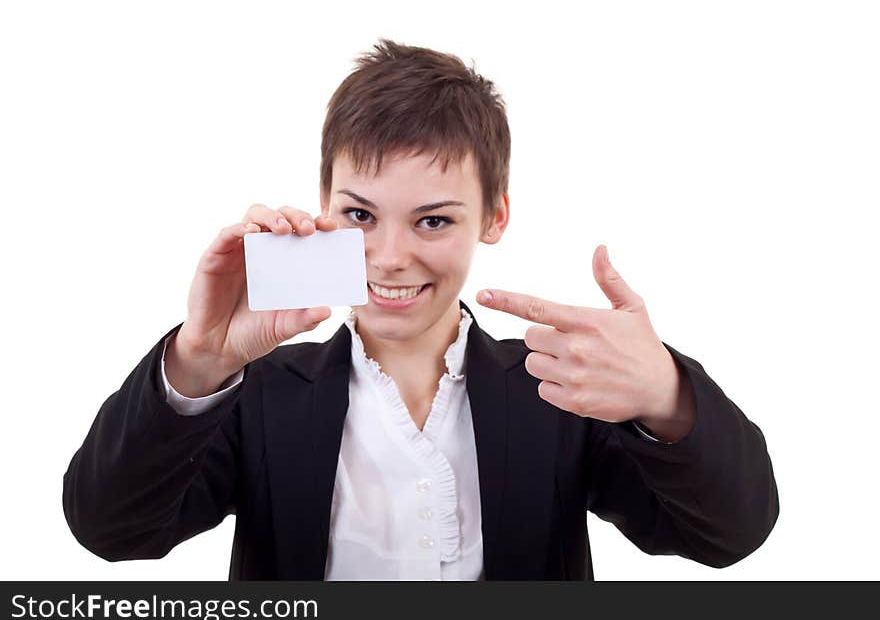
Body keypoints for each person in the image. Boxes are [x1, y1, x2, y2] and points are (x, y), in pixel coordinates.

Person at [62, 38, 779, 580]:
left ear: (493, 216)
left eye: (432, 220)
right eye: (360, 214)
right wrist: (198, 361)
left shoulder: (559, 391)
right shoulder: (262, 392)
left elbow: (731, 533)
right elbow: (109, 529)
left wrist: (665, 393)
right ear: (324, 203)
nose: (390, 256)